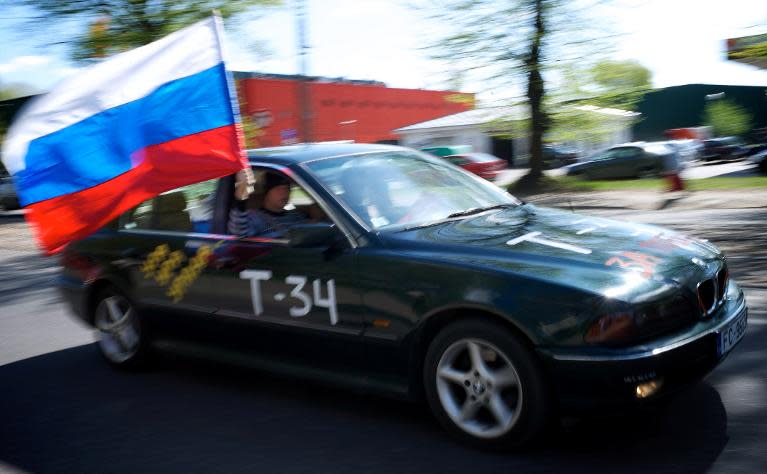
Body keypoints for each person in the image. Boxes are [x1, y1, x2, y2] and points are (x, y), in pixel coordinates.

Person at [228, 170, 307, 237]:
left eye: (287, 188)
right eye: (278, 189)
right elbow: (238, 234)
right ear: (266, 193)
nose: (284, 193)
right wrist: (241, 193)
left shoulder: (294, 215)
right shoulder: (255, 218)